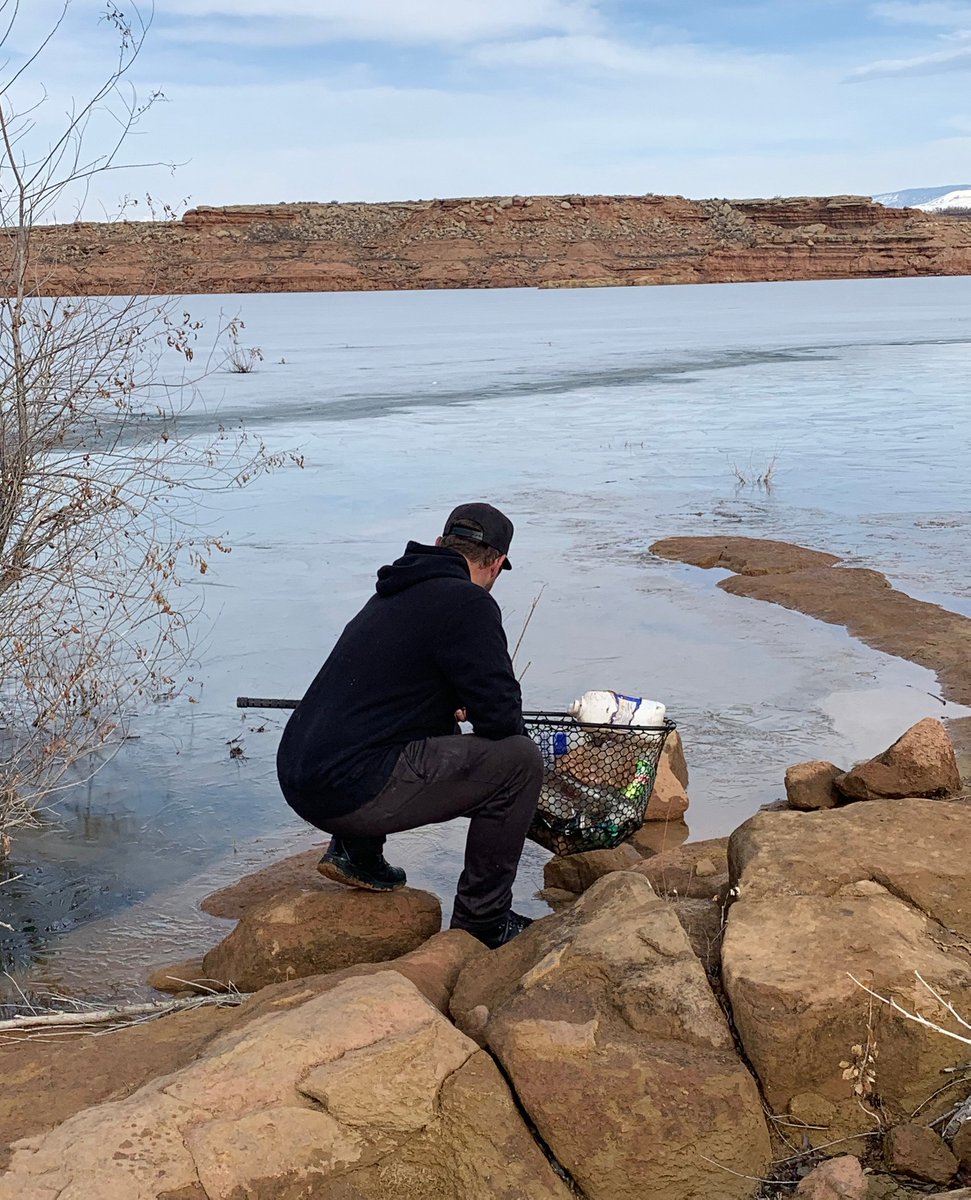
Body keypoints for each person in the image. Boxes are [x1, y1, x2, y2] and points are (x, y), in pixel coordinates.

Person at [276, 502, 543, 949]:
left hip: (301, 775)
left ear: (439, 544)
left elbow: (389, 697)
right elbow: (502, 720)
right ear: (497, 564)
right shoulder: (470, 603)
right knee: (520, 762)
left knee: (428, 731)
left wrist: (447, 701)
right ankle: (483, 921)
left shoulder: (393, 592)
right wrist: (473, 706)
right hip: (347, 790)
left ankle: (357, 852)